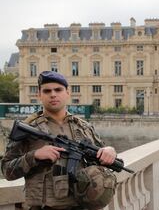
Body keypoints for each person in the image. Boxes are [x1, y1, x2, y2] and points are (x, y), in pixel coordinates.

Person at [1, 71, 118, 210]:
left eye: (58, 89)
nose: (53, 94)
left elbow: (101, 155)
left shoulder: (83, 127)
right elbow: (6, 170)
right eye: (47, 91)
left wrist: (110, 151)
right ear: (39, 94)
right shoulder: (28, 128)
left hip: (81, 206)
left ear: (67, 92)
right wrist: (35, 156)